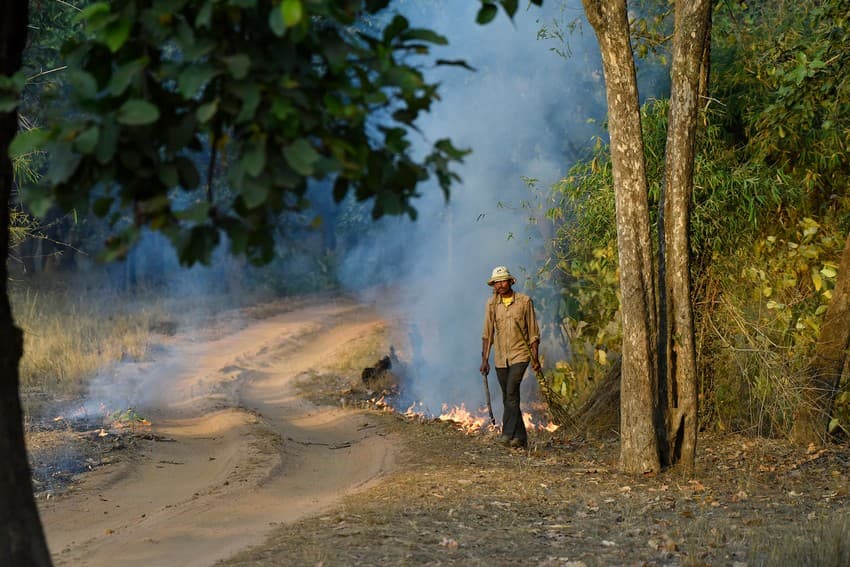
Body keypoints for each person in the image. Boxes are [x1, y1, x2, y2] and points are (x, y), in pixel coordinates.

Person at [480, 266, 541, 448]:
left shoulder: (524, 302)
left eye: (503, 281)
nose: (500, 285)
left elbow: (533, 333)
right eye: (497, 282)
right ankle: (521, 437)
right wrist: (485, 360)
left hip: (520, 354)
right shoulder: (491, 305)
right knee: (508, 397)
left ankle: (506, 434)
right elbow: (487, 334)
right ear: (493, 285)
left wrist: (535, 358)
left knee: (512, 392)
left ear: (511, 281)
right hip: (500, 357)